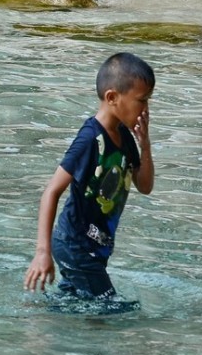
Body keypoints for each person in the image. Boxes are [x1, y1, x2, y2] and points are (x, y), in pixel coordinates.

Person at [23, 52, 155, 303]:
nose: (145, 109)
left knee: (74, 304)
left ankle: (40, 329)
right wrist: (42, 252)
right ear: (112, 97)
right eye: (141, 100)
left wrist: (145, 145)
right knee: (114, 310)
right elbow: (51, 191)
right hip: (75, 245)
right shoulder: (90, 139)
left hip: (94, 248)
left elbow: (145, 186)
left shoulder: (125, 137)